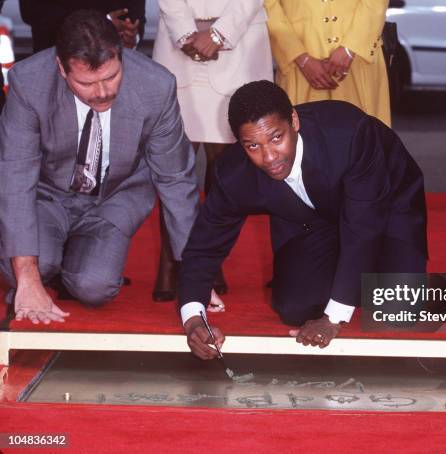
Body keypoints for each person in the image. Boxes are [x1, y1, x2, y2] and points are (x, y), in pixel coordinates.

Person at [178, 80, 427, 361]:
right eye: (252, 146)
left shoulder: (351, 133)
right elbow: (204, 244)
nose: (269, 157)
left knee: (400, 309)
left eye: (276, 138)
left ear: (294, 121)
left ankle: (374, 276)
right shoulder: (232, 173)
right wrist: (193, 317)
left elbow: (363, 228)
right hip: (312, 219)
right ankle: (353, 278)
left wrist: (334, 317)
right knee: (295, 309)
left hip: (386, 203)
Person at [0, 10, 200, 325]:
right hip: (47, 194)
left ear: (121, 56)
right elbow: (15, 175)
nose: (102, 92)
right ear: (62, 70)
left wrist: (197, 279)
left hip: (114, 197)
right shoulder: (29, 82)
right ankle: (43, 261)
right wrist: (26, 276)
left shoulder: (156, 85)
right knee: (30, 266)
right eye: (87, 83)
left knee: (96, 286)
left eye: (111, 77)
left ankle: (67, 260)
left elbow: (176, 180)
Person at [151, 0, 273, 302]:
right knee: (174, 166)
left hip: (240, 44)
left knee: (223, 170)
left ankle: (208, 262)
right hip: (178, 44)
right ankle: (169, 262)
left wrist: (219, 34)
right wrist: (185, 33)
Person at [264, 0, 391, 127]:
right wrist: (300, 57)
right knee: (302, 137)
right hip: (298, 66)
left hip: (358, 59)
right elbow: (269, 6)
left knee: (364, 137)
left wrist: (351, 47)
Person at [19, 0, 145, 51]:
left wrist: (132, 36)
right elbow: (32, 12)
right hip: (55, 63)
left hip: (118, 64)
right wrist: (101, 24)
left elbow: (135, 12)